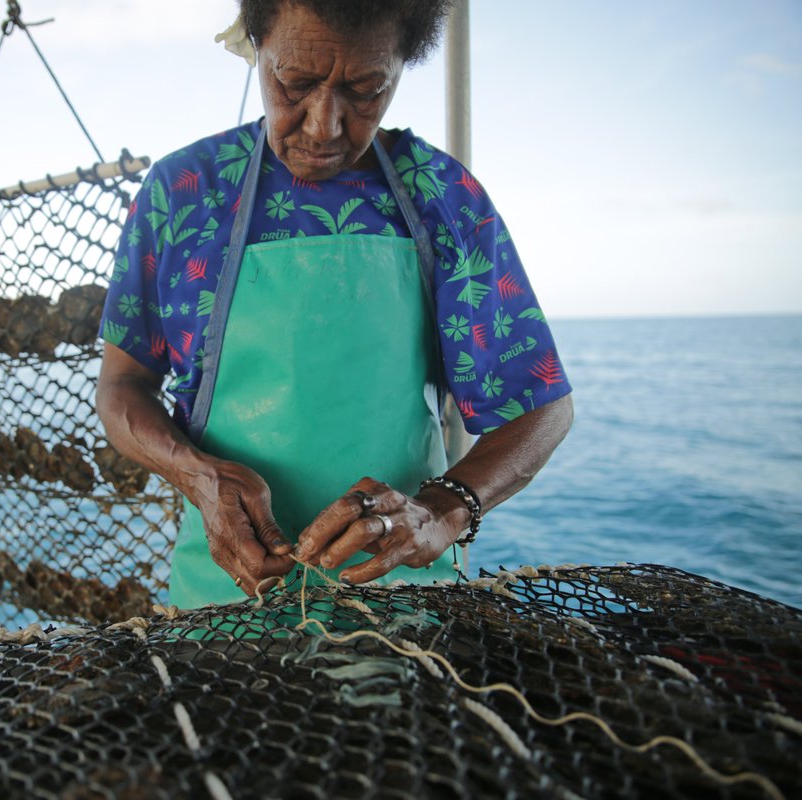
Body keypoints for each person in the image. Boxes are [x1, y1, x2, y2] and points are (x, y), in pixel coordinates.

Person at [96, 0, 573, 609]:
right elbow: (123, 385)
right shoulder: (183, 192)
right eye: (295, 83)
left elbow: (541, 408)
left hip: (403, 600)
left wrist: (442, 509)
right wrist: (195, 473)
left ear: (402, 66)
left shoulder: (441, 194)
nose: (325, 126)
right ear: (257, 46)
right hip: (223, 598)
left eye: (366, 89)